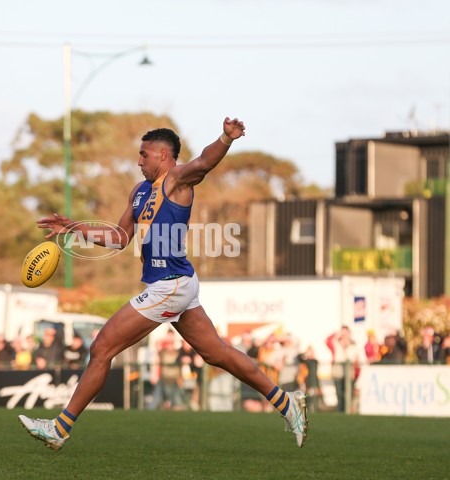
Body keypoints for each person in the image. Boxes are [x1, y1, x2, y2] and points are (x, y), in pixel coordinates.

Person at [18, 117, 308, 449]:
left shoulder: (177, 180)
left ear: (163, 154)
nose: (138, 161)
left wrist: (226, 139)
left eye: (144, 155)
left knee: (100, 348)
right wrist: (74, 228)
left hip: (170, 287)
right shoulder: (139, 192)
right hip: (177, 283)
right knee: (218, 355)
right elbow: (119, 237)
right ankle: (287, 403)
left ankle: (60, 428)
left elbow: (204, 162)